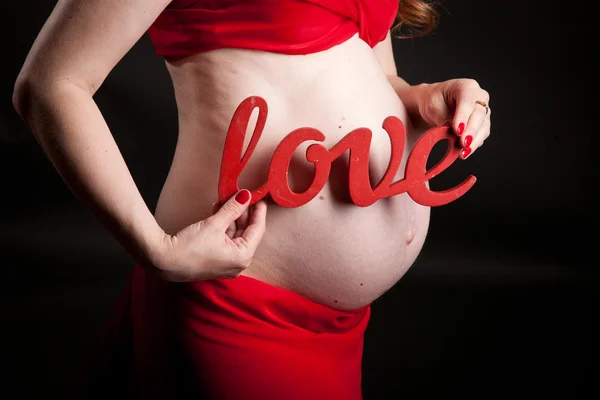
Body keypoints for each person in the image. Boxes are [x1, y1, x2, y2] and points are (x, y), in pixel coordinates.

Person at [12, 0, 492, 399]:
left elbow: (382, 76)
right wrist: (157, 250)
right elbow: (51, 84)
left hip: (343, 327)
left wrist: (429, 97)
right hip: (237, 303)